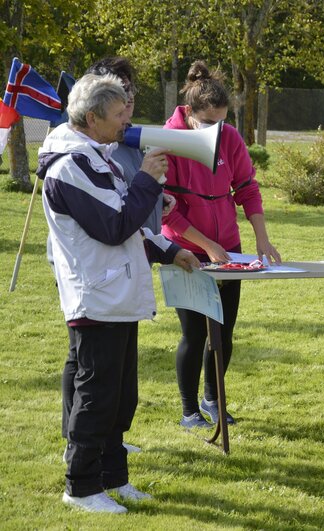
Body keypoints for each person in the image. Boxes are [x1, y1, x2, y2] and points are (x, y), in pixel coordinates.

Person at [39, 73, 200, 513]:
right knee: (98, 397)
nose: (124, 122)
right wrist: (146, 180)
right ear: (91, 118)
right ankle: (81, 487)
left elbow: (125, 222)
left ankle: (113, 477)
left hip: (115, 295)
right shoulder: (70, 166)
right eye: (116, 114)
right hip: (97, 297)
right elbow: (114, 227)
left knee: (119, 397)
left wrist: (170, 250)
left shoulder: (95, 156)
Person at [161, 60, 281, 430]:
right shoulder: (169, 140)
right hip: (185, 251)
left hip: (228, 249)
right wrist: (206, 245)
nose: (217, 130)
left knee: (223, 332)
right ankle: (189, 412)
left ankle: (213, 400)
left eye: (222, 122)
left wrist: (261, 237)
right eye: (209, 122)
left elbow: (247, 188)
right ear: (190, 112)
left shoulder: (229, 137)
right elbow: (166, 211)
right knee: (195, 334)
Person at [85, 56, 173, 234]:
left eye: (130, 88)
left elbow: (129, 190)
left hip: (142, 249)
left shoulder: (133, 139)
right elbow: (111, 218)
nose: (130, 96)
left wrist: (157, 198)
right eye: (122, 90)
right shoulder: (91, 151)